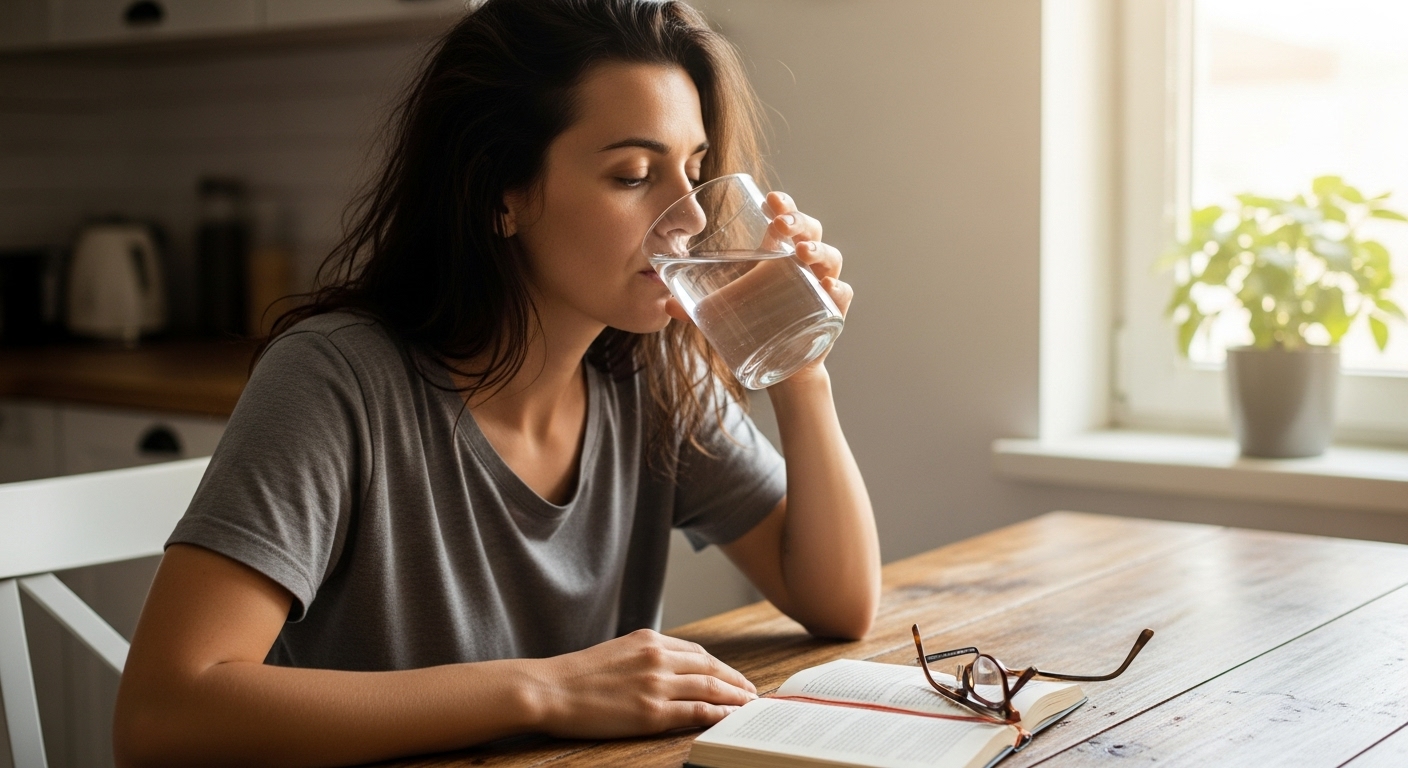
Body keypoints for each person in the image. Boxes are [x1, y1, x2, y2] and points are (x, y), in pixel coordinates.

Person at [112, 0, 879, 765]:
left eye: (696, 171)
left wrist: (795, 362)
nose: (687, 220)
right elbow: (160, 715)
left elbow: (839, 600)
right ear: (501, 195)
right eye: (634, 175)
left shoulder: (650, 377)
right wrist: (547, 691)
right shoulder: (337, 380)